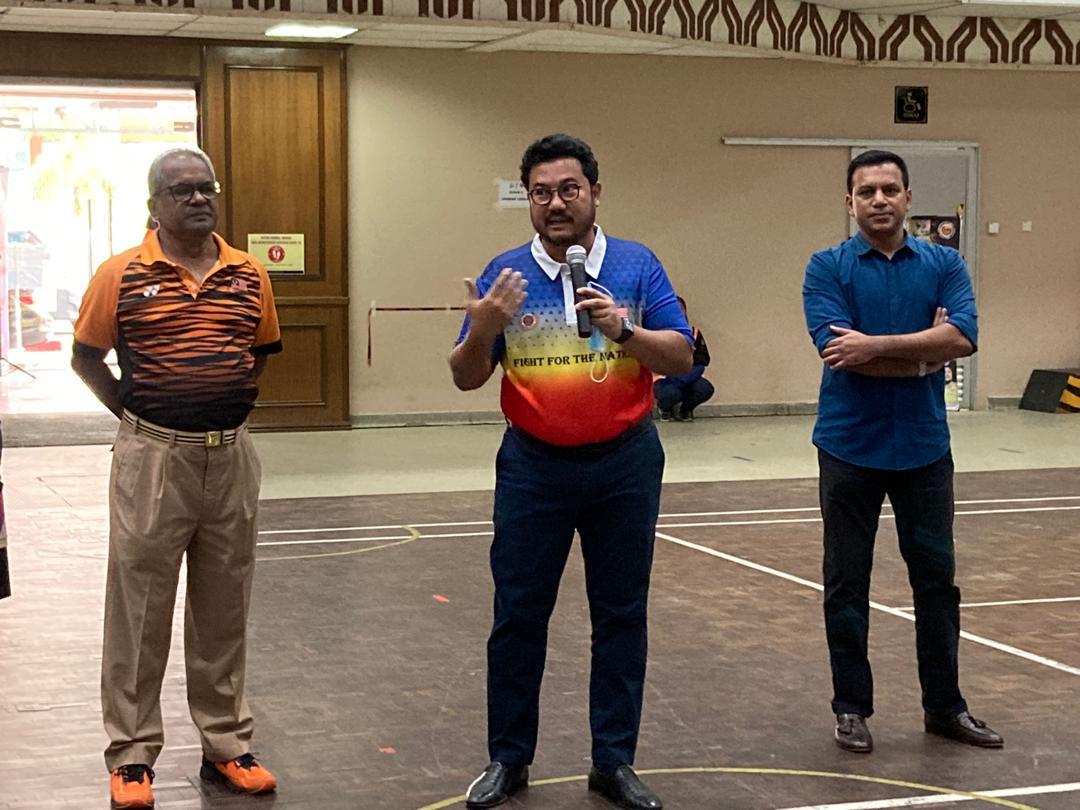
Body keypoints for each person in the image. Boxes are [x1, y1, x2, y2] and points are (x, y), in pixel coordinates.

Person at [450, 133, 692, 810]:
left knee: (621, 615)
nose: (555, 204)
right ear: (528, 199)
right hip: (534, 469)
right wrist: (482, 328)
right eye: (541, 193)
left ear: (595, 193)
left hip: (624, 465)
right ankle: (508, 759)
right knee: (518, 614)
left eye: (568, 190)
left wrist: (624, 330)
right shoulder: (505, 273)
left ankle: (613, 761)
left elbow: (681, 358)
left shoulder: (637, 265)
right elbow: (466, 377)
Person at [72, 147, 282, 809]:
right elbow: (86, 358)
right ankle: (132, 755)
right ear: (154, 205)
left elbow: (258, 355)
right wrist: (140, 416)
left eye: (206, 188)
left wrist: (220, 406)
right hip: (153, 459)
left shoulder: (249, 273)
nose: (198, 198)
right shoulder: (119, 274)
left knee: (224, 606)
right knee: (139, 610)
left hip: (231, 458)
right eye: (182, 190)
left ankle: (226, 745)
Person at [802, 149, 1002, 755]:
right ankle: (850, 708)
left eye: (890, 189)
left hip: (924, 450)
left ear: (908, 198)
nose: (879, 200)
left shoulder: (945, 263)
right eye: (867, 191)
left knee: (936, 583)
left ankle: (945, 707)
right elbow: (840, 353)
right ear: (850, 202)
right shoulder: (826, 267)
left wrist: (878, 345)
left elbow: (963, 336)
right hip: (848, 449)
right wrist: (924, 355)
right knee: (846, 583)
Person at [653, 296, 713, 421]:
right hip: (664, 378)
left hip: (688, 375)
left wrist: (685, 378)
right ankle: (665, 409)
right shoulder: (656, 333)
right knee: (671, 393)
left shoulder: (694, 333)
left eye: (680, 309)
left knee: (704, 389)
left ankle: (685, 410)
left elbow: (702, 360)